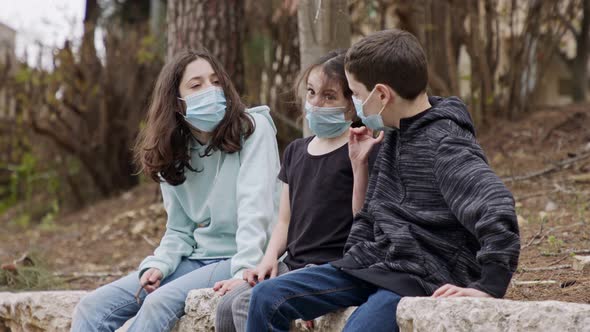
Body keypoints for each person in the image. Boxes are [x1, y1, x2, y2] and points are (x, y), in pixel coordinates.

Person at [246, 29, 521, 332]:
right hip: (372, 265)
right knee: (267, 298)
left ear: (382, 95)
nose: (357, 104)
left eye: (358, 95)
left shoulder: (446, 143)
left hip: (421, 276)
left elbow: (496, 205)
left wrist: (488, 286)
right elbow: (368, 218)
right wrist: (360, 166)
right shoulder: (394, 135)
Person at [71, 48, 281, 332]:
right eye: (197, 85)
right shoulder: (174, 150)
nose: (211, 90)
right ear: (177, 103)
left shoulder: (254, 129)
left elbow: (256, 209)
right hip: (195, 259)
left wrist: (244, 271)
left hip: (240, 256)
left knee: (158, 303)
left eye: (216, 82)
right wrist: (159, 264)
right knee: (92, 308)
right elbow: (179, 230)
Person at [214, 49, 379, 332]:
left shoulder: (360, 151)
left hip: (330, 267)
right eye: (311, 92)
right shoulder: (295, 151)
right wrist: (268, 260)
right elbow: (284, 220)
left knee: (245, 305)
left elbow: (363, 218)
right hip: (291, 264)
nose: (316, 103)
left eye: (329, 96)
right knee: (227, 306)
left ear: (351, 105)